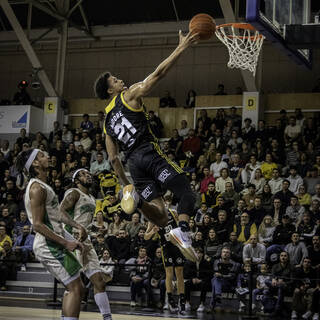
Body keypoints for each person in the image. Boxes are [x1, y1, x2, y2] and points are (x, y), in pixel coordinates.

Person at [95, 30, 200, 262]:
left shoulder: (106, 124)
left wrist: (126, 186)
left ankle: (140, 201)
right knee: (186, 193)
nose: (119, 79)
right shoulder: (129, 95)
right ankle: (183, 232)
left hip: (134, 166)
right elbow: (158, 73)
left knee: (161, 217)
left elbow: (113, 159)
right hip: (149, 153)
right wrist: (181, 47)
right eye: (114, 80)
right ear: (111, 90)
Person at [16, 149, 86, 320]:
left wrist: (76, 226)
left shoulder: (44, 186)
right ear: (35, 163)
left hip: (55, 242)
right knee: (75, 288)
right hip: (48, 245)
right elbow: (38, 225)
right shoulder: (36, 188)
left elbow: (58, 214)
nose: (47, 156)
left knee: (78, 288)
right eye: (41, 155)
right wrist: (66, 243)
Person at [60, 168, 112, 320]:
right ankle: (66, 317)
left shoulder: (91, 197)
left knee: (100, 282)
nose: (87, 175)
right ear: (76, 180)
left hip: (85, 241)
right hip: (71, 239)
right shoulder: (73, 192)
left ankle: (107, 317)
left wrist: (96, 228)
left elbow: (84, 221)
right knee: (73, 286)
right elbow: (60, 212)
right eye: (83, 174)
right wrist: (78, 227)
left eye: (88, 173)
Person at [145, 209, 186, 314]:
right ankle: (171, 300)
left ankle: (182, 300)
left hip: (177, 244)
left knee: (180, 272)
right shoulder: (152, 219)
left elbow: (182, 225)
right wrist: (153, 232)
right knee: (169, 273)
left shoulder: (172, 212)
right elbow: (146, 236)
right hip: (166, 247)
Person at [184, 247, 213, 312]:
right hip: (193, 281)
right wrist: (192, 279)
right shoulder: (190, 262)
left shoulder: (206, 263)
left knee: (204, 284)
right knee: (187, 283)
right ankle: (187, 303)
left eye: (199, 253)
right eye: (196, 253)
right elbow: (186, 274)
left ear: (202, 254)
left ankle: (201, 304)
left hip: (202, 281)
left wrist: (201, 280)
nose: (198, 254)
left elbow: (210, 275)